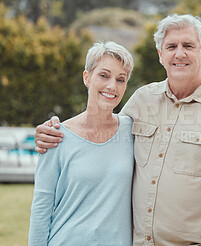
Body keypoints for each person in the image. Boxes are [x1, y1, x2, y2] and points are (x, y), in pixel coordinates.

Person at [34, 14, 201, 246]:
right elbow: (101, 134)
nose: (179, 53)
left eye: (188, 46)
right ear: (161, 55)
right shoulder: (142, 101)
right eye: (171, 46)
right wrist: (52, 130)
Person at [29, 41, 135, 245]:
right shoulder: (56, 136)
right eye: (104, 75)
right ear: (87, 77)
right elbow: (41, 210)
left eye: (120, 79)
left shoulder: (132, 131)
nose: (112, 86)